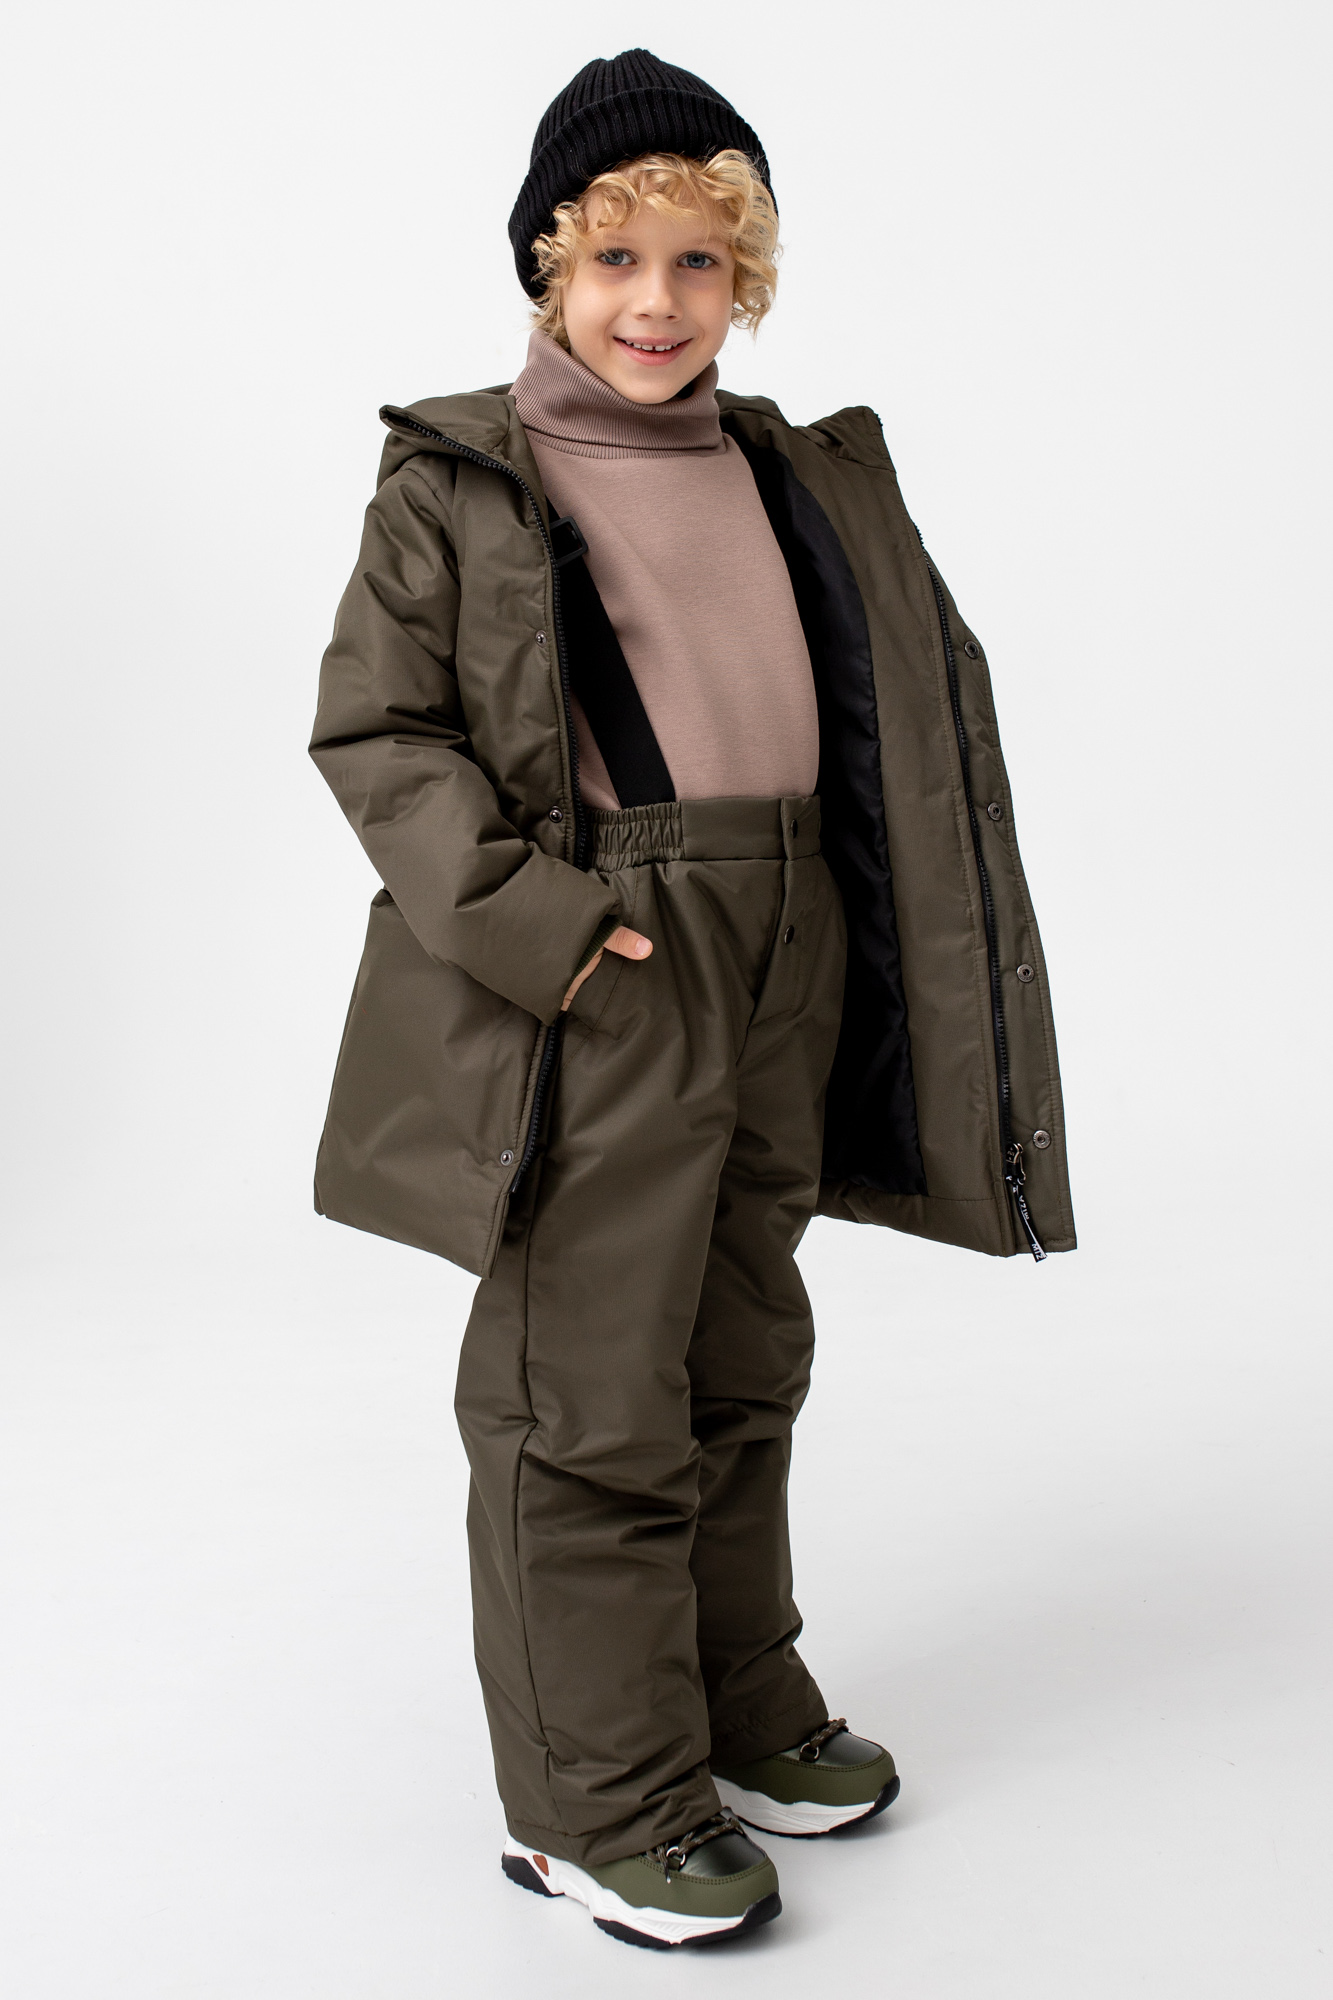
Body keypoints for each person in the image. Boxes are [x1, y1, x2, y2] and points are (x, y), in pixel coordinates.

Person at [309, 48, 1074, 1952]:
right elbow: (380, 734)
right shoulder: (463, 477)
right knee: (588, 1387)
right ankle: (594, 1798)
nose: (654, 304)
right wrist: (542, 929)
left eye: (698, 264)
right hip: (611, 955)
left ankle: (729, 1705)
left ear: (747, 279)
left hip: (787, 940)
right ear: (546, 270)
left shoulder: (790, 469)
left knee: (740, 1354)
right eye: (613, 261)